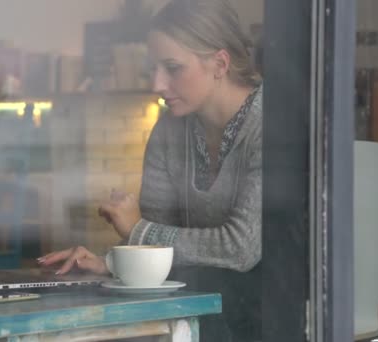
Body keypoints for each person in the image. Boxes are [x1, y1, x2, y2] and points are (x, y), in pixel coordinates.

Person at [38, 0, 262, 340]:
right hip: (205, 313)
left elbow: (240, 248)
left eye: (172, 68)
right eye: (154, 67)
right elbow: (157, 244)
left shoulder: (271, 125)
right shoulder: (168, 130)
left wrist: (138, 230)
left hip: (274, 313)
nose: (157, 84)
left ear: (220, 63)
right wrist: (110, 264)